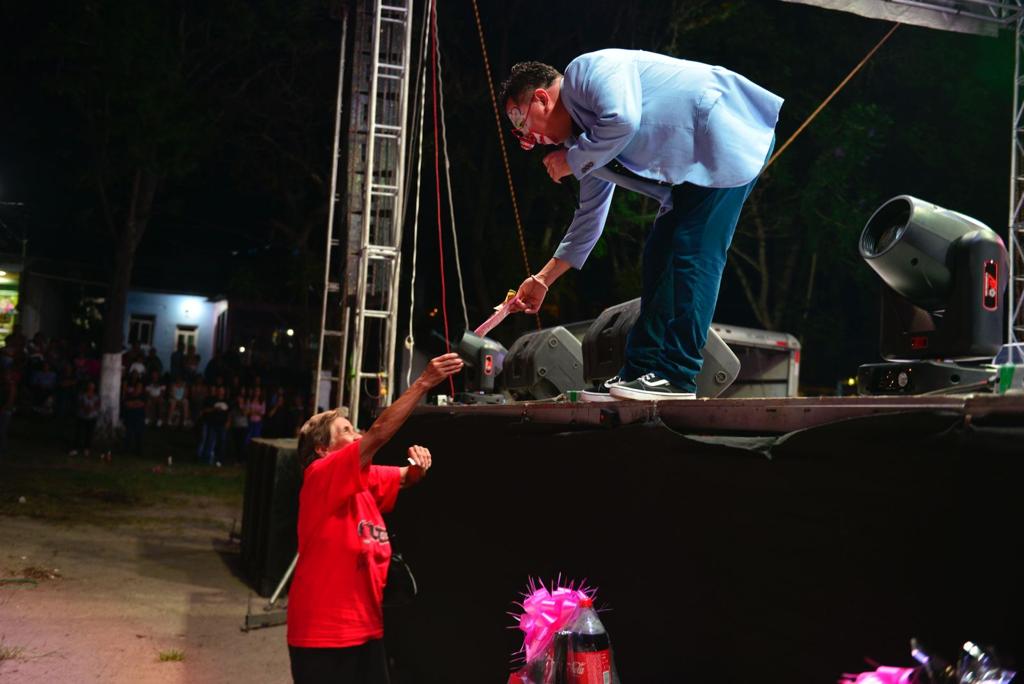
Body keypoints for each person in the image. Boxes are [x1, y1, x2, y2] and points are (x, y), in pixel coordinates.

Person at [501, 50, 782, 400]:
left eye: (521, 123)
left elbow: (623, 120)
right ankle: (638, 372)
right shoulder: (585, 143)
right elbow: (589, 217)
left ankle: (678, 376)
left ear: (542, 99)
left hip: (725, 133)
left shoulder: (586, 71)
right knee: (659, 256)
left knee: (693, 252)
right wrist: (544, 279)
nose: (530, 139)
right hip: (692, 172)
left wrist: (573, 160)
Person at [286, 352, 463, 684]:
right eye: (346, 430)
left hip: (367, 632)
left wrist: (418, 464)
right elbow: (379, 433)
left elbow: (406, 478)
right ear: (323, 449)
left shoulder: (362, 480)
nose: (358, 434)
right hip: (323, 638)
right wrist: (423, 383)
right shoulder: (321, 475)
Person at [71, 381, 100, 457]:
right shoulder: (82, 395)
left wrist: (91, 409)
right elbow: (79, 403)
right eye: (90, 385)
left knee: (89, 434)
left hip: (92, 417)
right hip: (81, 416)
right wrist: (85, 409)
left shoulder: (96, 396)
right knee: (79, 433)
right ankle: (75, 448)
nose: (91, 387)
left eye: (92, 386)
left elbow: (97, 405)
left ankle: (87, 449)